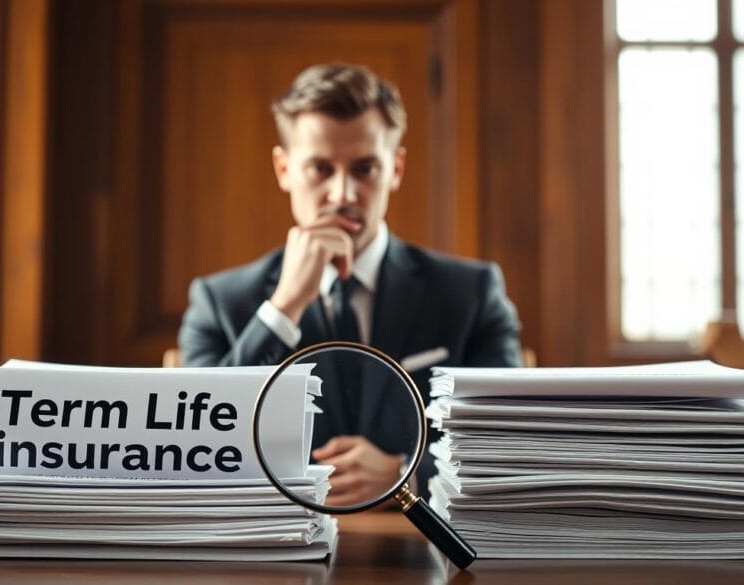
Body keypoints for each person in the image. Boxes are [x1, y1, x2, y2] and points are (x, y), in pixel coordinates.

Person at [178, 63, 522, 504]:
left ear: (395, 168)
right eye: (320, 169)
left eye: (364, 169)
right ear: (284, 169)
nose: (343, 193)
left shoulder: (470, 294)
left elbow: (503, 444)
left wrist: (406, 474)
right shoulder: (220, 301)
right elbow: (198, 446)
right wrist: (283, 307)